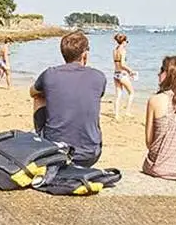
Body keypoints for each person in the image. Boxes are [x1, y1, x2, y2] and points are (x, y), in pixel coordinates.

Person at [30, 31, 107, 167]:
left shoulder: (50, 74)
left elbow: (33, 92)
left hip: (55, 152)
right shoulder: (99, 76)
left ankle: (43, 137)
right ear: (85, 54)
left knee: (39, 97)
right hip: (90, 154)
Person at [112, 33, 136, 119]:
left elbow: (116, 63)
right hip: (122, 74)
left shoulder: (115, 50)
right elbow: (122, 64)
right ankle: (127, 112)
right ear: (123, 41)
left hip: (116, 74)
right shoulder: (123, 50)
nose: (126, 43)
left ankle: (116, 114)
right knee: (131, 93)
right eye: (126, 41)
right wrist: (130, 71)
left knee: (118, 94)